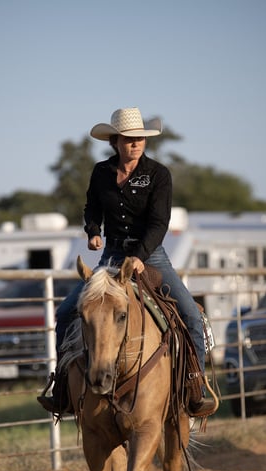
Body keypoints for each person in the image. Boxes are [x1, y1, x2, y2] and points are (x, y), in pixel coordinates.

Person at [38, 107, 216, 417]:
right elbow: (91, 207)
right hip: (111, 255)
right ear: (116, 141)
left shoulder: (159, 175)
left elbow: (160, 223)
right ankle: (62, 388)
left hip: (152, 255)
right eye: (128, 139)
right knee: (67, 312)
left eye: (139, 139)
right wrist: (93, 231)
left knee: (189, 312)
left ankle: (195, 385)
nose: (134, 144)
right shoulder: (101, 172)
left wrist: (140, 256)